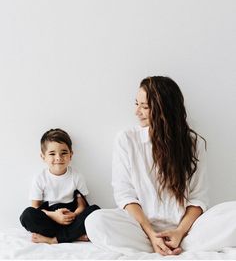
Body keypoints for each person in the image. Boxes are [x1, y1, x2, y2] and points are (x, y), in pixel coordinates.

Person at [85, 76, 209, 255]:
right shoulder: (126, 140)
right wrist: (151, 234)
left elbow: (198, 198)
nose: (137, 112)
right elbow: (125, 195)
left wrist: (180, 232)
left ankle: (174, 244)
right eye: (137, 104)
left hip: (188, 230)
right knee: (95, 221)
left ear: (164, 110)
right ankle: (160, 246)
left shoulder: (193, 143)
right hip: (140, 229)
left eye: (144, 107)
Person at [20, 128, 99, 244]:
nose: (58, 157)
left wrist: (74, 214)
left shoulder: (76, 176)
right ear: (43, 157)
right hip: (50, 217)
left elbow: (82, 205)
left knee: (95, 211)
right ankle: (73, 236)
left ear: (71, 155)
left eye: (64, 153)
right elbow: (35, 207)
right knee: (27, 215)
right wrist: (54, 216)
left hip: (71, 216)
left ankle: (54, 239)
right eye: (52, 153)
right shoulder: (40, 178)